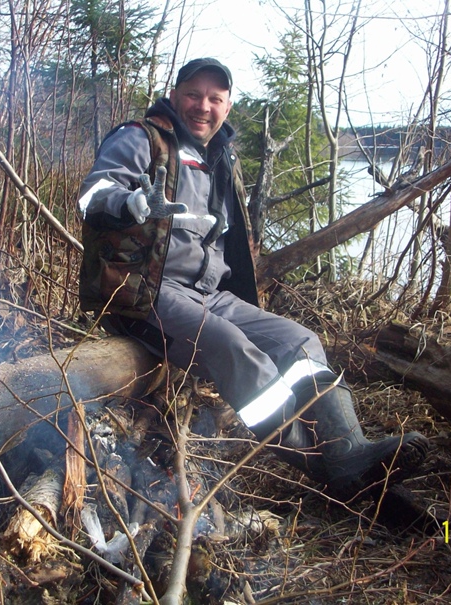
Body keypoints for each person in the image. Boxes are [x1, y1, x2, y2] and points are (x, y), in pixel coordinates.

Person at [77, 57, 428, 499]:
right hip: (144, 291)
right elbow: (91, 194)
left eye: (215, 99)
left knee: (301, 342)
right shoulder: (141, 139)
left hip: (207, 293)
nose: (202, 106)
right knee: (234, 350)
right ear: (173, 96)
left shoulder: (221, 157)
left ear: (226, 106)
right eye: (192, 94)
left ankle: (349, 449)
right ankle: (332, 472)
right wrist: (129, 202)